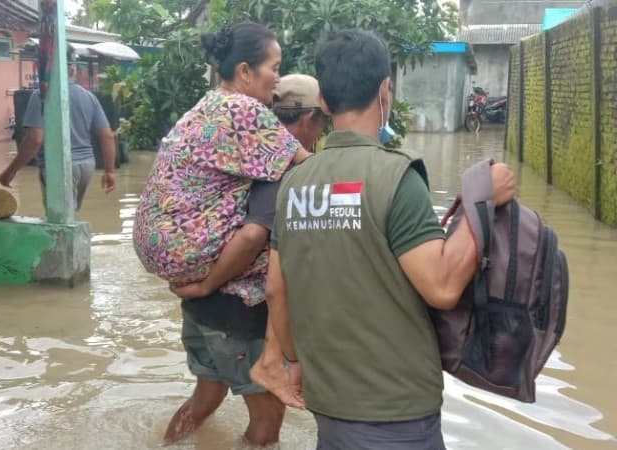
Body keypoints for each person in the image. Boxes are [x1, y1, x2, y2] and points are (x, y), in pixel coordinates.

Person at [265, 29, 516, 449]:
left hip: (328, 403)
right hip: (396, 412)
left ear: (323, 102)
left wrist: (296, 360)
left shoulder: (293, 184)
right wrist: (483, 202)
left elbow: (276, 289)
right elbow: (440, 286)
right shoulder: (396, 175)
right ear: (386, 90)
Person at [132, 22, 310, 446]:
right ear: (246, 71)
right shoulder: (247, 114)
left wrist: (201, 286)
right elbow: (309, 170)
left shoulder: (207, 106)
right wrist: (209, 283)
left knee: (203, 400)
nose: (278, 78)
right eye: (275, 67)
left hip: (180, 273)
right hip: (226, 301)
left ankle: (165, 445)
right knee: (266, 425)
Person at [0, 47, 116, 213]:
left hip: (58, 166)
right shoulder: (89, 96)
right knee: (70, 215)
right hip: (87, 165)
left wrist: (10, 172)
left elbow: (35, 140)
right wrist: (110, 171)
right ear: (72, 70)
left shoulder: (41, 95)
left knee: (59, 219)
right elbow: (107, 136)